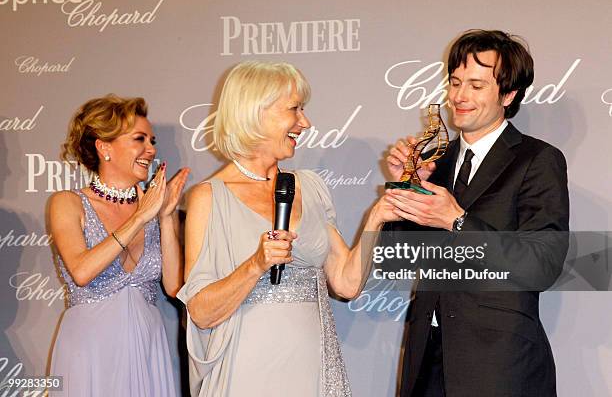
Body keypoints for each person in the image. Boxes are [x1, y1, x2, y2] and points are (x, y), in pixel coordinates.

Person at [178, 61, 399, 397]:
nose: (305, 123)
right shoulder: (209, 198)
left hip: (311, 371)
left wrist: (375, 221)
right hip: (246, 371)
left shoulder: (309, 187)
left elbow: (346, 283)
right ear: (255, 112)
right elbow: (201, 312)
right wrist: (255, 265)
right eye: (294, 109)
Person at [385, 30, 570, 396]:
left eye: (475, 85)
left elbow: (541, 264)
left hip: (499, 364)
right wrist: (407, 187)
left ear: (508, 94)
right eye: (454, 83)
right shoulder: (435, 163)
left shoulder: (537, 160)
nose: (459, 97)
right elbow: (397, 255)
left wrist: (457, 220)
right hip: (427, 360)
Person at [48, 95, 190, 396]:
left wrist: (165, 217)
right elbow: (82, 271)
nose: (150, 150)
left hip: (148, 346)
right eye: (139, 139)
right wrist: (140, 216)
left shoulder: (154, 208)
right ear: (104, 147)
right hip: (91, 351)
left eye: (151, 140)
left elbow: (175, 287)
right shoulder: (68, 203)